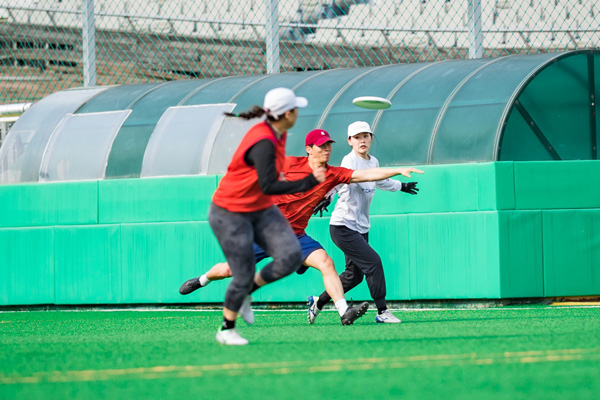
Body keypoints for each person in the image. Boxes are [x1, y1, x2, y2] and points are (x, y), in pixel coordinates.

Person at [180, 128, 423, 326]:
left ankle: (343, 312)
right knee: (227, 270)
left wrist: (398, 171)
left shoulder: (334, 174)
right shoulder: (287, 164)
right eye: (321, 146)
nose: (327, 149)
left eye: (329, 145)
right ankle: (202, 280)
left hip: (295, 235)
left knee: (325, 262)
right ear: (309, 149)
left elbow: (368, 175)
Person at [206, 87, 326, 345]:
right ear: (287, 113)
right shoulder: (264, 141)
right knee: (242, 274)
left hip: (259, 208)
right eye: (296, 109)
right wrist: (308, 182)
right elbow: (268, 185)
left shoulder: (278, 134)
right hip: (230, 212)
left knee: (291, 255)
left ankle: (249, 290)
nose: (298, 113)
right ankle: (226, 329)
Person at [308, 121, 421, 324]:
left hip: (360, 227)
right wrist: (327, 197)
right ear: (350, 141)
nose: (362, 140)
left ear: (371, 138)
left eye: (365, 136)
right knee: (374, 262)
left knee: (353, 276)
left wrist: (401, 185)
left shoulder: (373, 161)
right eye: (357, 137)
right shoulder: (349, 161)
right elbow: (337, 181)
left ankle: (318, 302)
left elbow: (380, 180)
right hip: (343, 226)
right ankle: (383, 311)